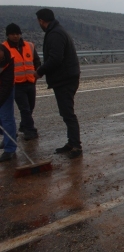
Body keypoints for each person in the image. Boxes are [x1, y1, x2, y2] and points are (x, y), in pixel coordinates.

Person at [34, 8, 82, 159]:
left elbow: (55, 58)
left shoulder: (55, 34)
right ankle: (71, 142)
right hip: (65, 78)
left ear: (41, 21)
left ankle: (76, 146)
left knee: (68, 112)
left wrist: (39, 71)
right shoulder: (57, 31)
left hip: (65, 79)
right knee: (66, 112)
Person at [3, 23, 41, 141]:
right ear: (8, 35)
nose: (15, 36)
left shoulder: (29, 46)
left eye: (17, 34)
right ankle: (30, 130)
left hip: (30, 81)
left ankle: (23, 125)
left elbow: (36, 61)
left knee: (30, 107)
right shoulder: (4, 48)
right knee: (24, 108)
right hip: (16, 84)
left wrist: (36, 74)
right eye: (13, 34)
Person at [0, 43, 17, 161]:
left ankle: (10, 149)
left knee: (6, 118)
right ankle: (8, 136)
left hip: (5, 90)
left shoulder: (8, 60)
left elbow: (6, 86)